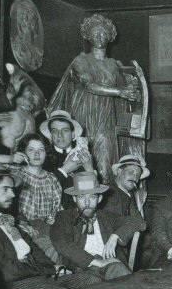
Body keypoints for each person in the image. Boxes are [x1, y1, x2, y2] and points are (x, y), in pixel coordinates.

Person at [0, 163, 96, 289]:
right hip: (15, 286)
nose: (12, 194)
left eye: (12, 189)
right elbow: (9, 271)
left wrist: (52, 268)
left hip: (38, 277)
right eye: (5, 189)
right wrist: (48, 270)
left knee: (91, 281)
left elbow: (34, 250)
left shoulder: (9, 219)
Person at [48, 14, 142, 183]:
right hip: (84, 116)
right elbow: (89, 85)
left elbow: (131, 93)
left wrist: (134, 88)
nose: (99, 36)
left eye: (103, 33)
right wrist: (120, 91)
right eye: (95, 33)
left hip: (106, 119)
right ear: (88, 36)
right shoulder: (81, 60)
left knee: (105, 163)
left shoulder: (115, 65)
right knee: (79, 165)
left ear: (110, 37)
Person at [50, 172, 145, 282]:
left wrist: (115, 236)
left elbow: (138, 222)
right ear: (74, 199)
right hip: (80, 268)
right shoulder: (65, 217)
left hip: (110, 266)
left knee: (124, 277)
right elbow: (62, 243)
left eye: (92, 197)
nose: (87, 202)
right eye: (81, 197)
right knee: (92, 282)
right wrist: (95, 262)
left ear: (99, 199)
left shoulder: (106, 217)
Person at [7, 134, 63, 263]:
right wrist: (21, 223)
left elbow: (55, 211)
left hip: (45, 226)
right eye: (31, 150)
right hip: (19, 225)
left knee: (60, 241)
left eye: (41, 150)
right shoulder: (16, 176)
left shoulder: (51, 179)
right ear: (23, 153)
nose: (37, 154)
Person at [38, 109, 93, 209]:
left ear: (73, 135)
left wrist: (89, 169)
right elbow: (39, 190)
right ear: (50, 136)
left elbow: (92, 193)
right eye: (55, 131)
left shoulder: (84, 156)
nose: (60, 135)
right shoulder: (42, 159)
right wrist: (64, 171)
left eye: (65, 130)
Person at [103, 154, 148, 222]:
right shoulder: (108, 192)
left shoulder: (130, 195)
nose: (135, 177)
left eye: (138, 175)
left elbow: (139, 221)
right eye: (131, 172)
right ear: (119, 171)